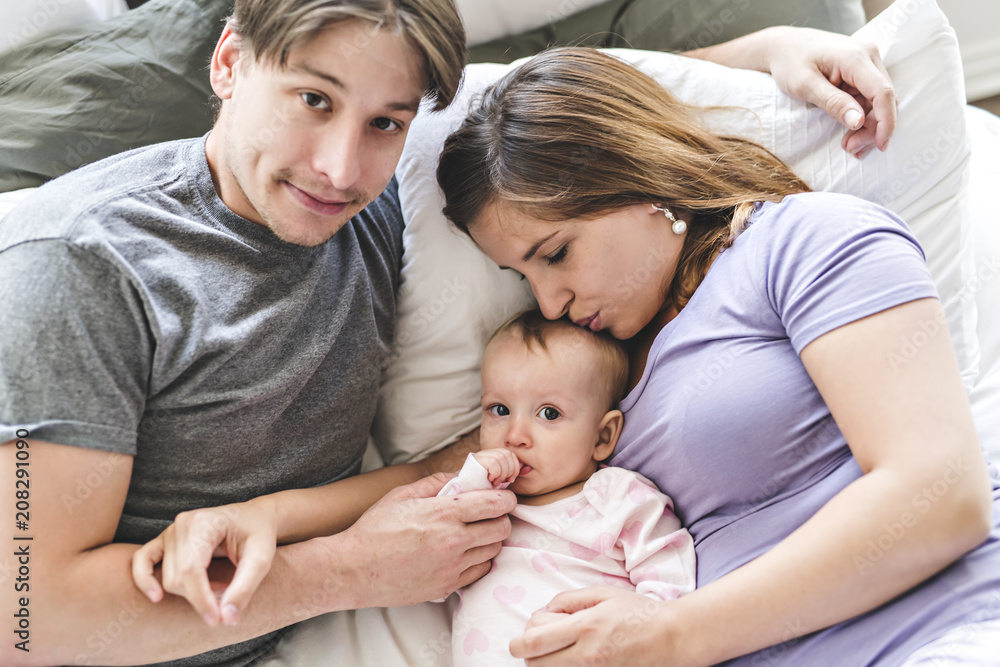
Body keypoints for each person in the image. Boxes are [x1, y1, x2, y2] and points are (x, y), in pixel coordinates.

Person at [0, 1, 905, 665]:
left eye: (384, 122)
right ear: (230, 63)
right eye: (312, 100)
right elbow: (24, 612)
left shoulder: (387, 190)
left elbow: (581, 117)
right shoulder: (80, 264)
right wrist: (349, 573)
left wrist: (776, 49)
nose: (339, 167)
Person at [435, 47, 1000, 666]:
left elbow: (942, 498)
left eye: (556, 254)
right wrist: (317, 541)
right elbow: (453, 460)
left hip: (945, 632)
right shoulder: (591, 375)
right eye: (521, 276)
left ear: (630, 172)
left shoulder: (800, 242)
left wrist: (669, 635)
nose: (548, 302)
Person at [437, 310, 696, 665]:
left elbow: (672, 582)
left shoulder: (616, 498)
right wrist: (468, 482)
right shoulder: (481, 504)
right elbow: (431, 572)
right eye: (499, 409)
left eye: (549, 414)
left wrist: (641, 632)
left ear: (602, 436)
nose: (515, 436)